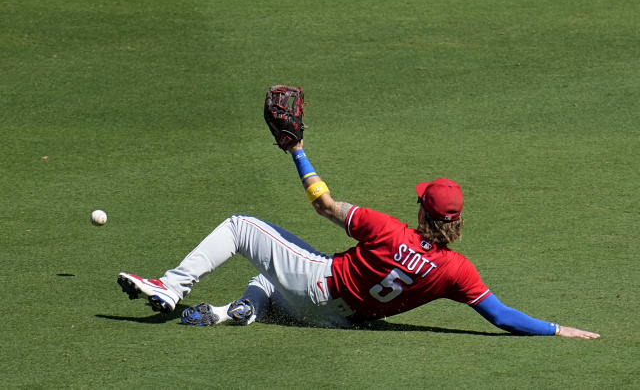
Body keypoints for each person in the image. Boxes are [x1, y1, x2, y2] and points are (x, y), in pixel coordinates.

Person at [118, 140, 600, 338]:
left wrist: (298, 152)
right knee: (268, 280)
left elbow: (324, 204)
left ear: (422, 209)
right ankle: (234, 312)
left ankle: (171, 287)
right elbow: (501, 317)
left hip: (318, 284)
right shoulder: (458, 271)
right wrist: (559, 329)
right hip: (338, 319)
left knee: (243, 227)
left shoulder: (386, 228)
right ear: (455, 222)